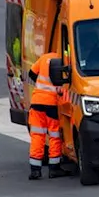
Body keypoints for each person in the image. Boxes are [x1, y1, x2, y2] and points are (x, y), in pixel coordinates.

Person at [27, 51, 68, 179]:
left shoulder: (44, 58)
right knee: (54, 135)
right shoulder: (65, 59)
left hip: (37, 100)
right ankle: (54, 168)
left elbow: (31, 74)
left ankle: (35, 170)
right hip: (51, 102)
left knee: (37, 135)